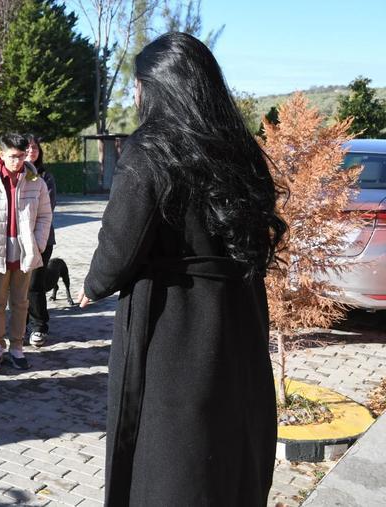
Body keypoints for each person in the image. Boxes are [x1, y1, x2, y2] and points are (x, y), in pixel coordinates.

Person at [79, 32, 285, 505]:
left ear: (157, 87)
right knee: (231, 437)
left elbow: (119, 244)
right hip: (238, 315)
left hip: (174, 324)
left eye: (138, 85)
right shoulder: (241, 149)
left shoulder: (151, 149)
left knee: (171, 453)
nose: (135, 95)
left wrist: (93, 286)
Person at [0, 133, 52, 371]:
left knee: (20, 303)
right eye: (12, 157)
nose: (17, 161)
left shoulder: (36, 182)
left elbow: (45, 215)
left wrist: (38, 244)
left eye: (21, 156)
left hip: (24, 251)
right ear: (1, 155)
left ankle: (17, 347)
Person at [23, 134, 58, 347]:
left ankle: (39, 326)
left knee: (35, 284)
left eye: (35, 148)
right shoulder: (15, 174)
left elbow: (48, 209)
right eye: (27, 148)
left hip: (41, 238)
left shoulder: (46, 176)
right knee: (19, 286)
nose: (31, 151)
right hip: (16, 240)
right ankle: (20, 325)